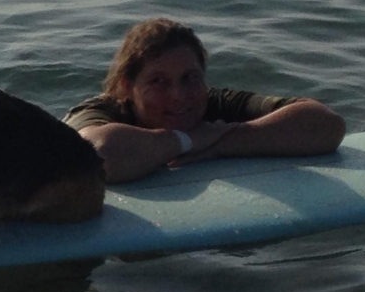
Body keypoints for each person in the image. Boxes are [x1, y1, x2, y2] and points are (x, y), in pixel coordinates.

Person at [64, 18, 346, 183]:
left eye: (190, 77)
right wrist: (189, 140)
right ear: (127, 86)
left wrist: (222, 144)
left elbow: (326, 125)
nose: (179, 95)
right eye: (158, 81)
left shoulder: (213, 104)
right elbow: (101, 156)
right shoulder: (98, 111)